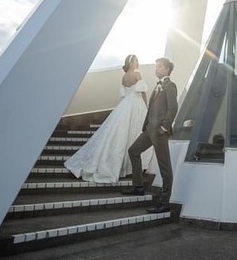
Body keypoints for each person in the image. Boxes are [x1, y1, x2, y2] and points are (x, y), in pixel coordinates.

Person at [64, 54, 155, 183]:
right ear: (132, 63)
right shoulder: (137, 74)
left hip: (125, 105)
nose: (137, 63)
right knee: (134, 132)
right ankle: (130, 166)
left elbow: (124, 94)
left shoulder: (124, 77)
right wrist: (146, 107)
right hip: (136, 105)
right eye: (136, 61)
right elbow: (143, 92)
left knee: (120, 133)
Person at [124, 57, 177, 214]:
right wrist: (146, 126)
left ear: (167, 69)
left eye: (160, 66)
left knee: (164, 167)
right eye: (156, 66)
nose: (156, 69)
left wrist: (164, 127)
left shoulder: (170, 86)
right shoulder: (157, 86)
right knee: (133, 151)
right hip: (149, 130)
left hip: (160, 132)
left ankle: (164, 203)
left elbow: (173, 109)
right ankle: (138, 186)